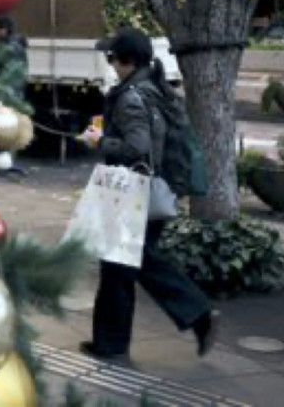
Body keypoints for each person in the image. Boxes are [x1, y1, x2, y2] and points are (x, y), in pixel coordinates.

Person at [78, 27, 218, 359]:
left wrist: (100, 141)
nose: (111, 65)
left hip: (133, 193)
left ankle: (196, 314)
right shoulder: (155, 88)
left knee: (124, 264)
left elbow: (137, 147)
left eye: (111, 58)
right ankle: (113, 342)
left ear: (126, 60)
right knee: (126, 265)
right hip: (154, 191)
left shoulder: (131, 97)